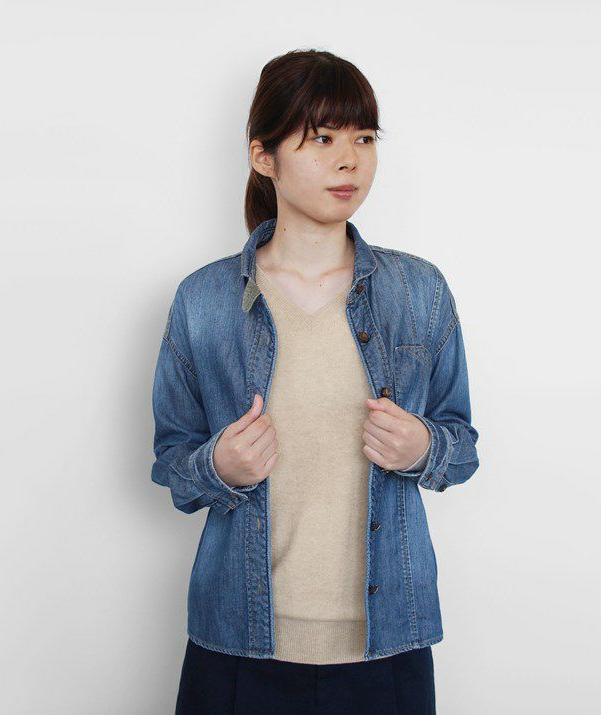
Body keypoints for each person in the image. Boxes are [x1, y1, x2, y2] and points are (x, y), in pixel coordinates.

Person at [151, 48, 480, 715]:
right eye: (322, 138)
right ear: (263, 156)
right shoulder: (204, 301)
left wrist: (423, 447)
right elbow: (172, 463)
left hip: (386, 648)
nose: (349, 160)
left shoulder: (418, 292)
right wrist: (217, 465)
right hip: (238, 645)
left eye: (364, 137)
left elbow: (462, 447)